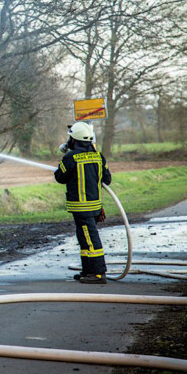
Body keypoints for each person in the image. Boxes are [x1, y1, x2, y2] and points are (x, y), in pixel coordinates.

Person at [54, 121, 112, 284]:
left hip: (81, 207)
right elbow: (107, 179)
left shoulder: (70, 157)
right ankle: (88, 270)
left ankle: (98, 273)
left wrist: (64, 157)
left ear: (74, 139)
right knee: (85, 238)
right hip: (94, 206)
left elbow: (60, 177)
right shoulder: (98, 156)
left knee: (90, 239)